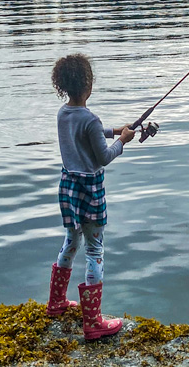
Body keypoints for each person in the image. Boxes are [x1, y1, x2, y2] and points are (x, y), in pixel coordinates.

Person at [46, 53, 134, 339]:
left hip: (69, 187)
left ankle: (57, 302)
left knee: (71, 241)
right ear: (88, 84)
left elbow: (87, 132)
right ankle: (93, 321)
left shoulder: (63, 114)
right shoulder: (90, 119)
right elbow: (104, 156)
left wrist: (113, 130)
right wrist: (121, 141)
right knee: (95, 250)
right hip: (91, 191)